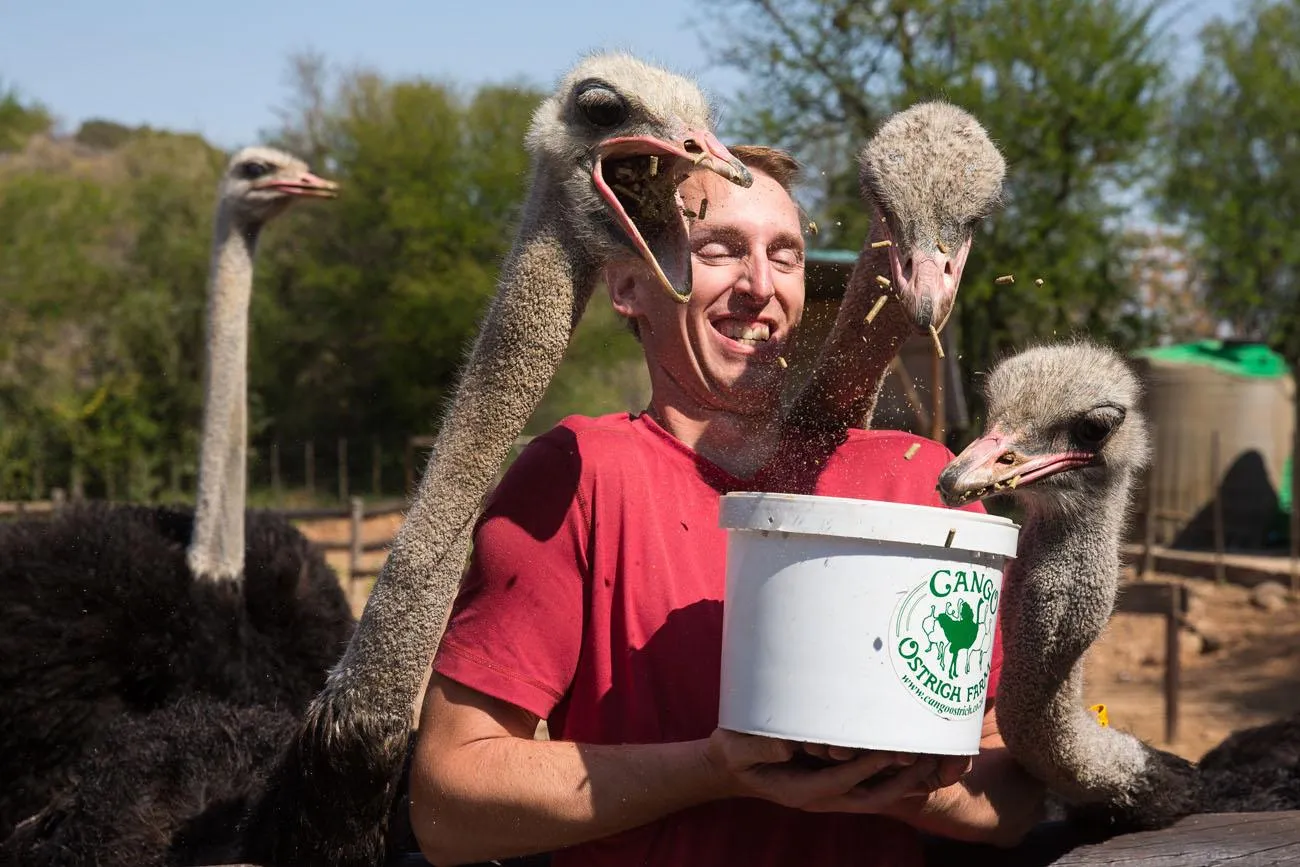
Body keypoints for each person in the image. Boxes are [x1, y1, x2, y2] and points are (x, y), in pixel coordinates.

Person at [409, 146, 1045, 867]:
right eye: (718, 250)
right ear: (627, 286)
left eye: (786, 255)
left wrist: (894, 784)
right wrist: (713, 769)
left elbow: (1016, 798)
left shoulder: (919, 479)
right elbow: (448, 805)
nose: (760, 286)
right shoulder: (581, 477)